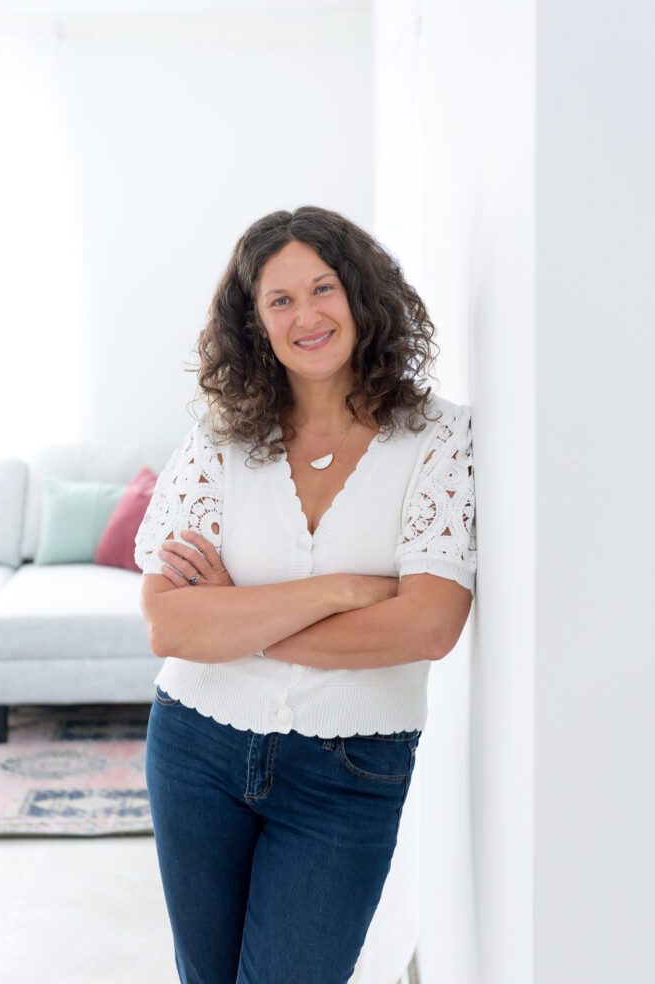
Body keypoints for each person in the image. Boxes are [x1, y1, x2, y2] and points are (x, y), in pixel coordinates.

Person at [134, 205, 477, 984]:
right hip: (196, 750)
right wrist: (346, 591)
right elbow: (170, 625)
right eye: (280, 300)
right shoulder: (220, 440)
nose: (306, 316)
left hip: (349, 770)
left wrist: (236, 616)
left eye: (323, 288)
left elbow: (427, 627)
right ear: (256, 323)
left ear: (361, 293)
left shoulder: (438, 438)